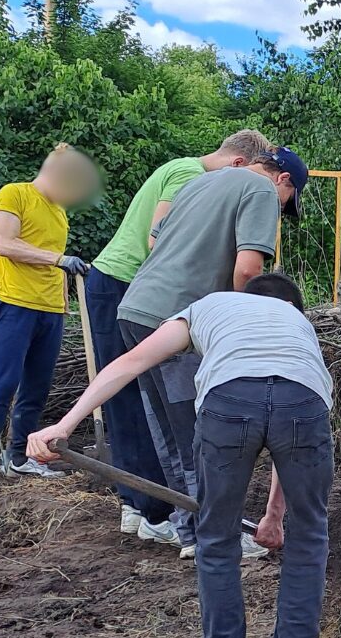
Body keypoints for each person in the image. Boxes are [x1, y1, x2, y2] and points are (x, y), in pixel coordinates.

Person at [28, 272, 336, 638]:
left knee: (216, 536)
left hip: (228, 403)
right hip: (303, 403)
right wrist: (275, 517)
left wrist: (65, 424)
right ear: (293, 307)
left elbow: (130, 362)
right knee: (310, 536)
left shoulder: (209, 305)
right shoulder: (297, 327)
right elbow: (285, 402)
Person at [117, 137, 309, 560]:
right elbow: (249, 267)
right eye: (286, 201)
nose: (279, 209)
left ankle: (190, 531)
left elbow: (156, 239)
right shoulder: (259, 188)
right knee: (199, 433)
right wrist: (247, 323)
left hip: (137, 308)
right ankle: (214, 536)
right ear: (283, 179)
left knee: (169, 432)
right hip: (177, 315)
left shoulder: (201, 182)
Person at [84, 130, 267, 545]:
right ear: (239, 164)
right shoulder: (191, 174)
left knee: (147, 413)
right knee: (177, 419)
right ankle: (177, 519)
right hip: (140, 289)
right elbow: (158, 241)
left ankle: (153, 512)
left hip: (132, 292)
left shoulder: (182, 171)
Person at [0, 143, 101, 490]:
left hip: (51, 311)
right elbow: (6, 244)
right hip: (15, 305)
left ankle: (18, 459)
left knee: (37, 388)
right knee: (3, 384)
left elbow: (51, 258)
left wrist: (66, 293)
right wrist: (59, 260)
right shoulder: (15, 194)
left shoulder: (58, 212)